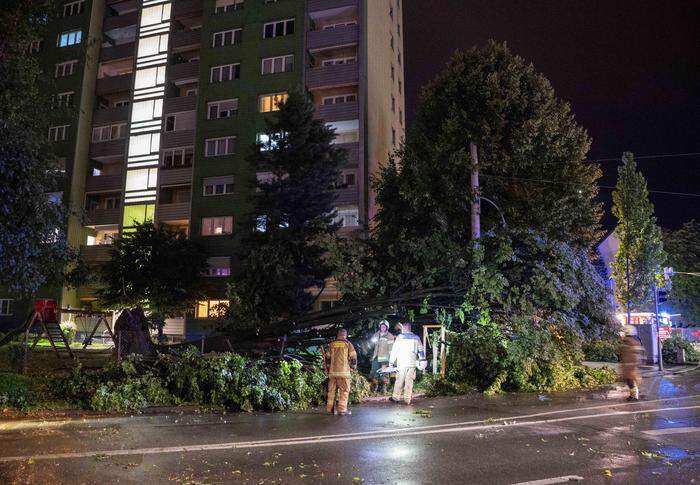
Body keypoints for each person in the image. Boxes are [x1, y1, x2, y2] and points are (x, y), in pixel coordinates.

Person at [388, 322, 425, 405]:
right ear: (410, 329)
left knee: (399, 381)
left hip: (402, 363)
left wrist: (391, 362)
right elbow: (421, 350)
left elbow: (395, 350)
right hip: (412, 364)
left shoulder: (400, 337)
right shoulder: (416, 338)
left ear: (404, 329)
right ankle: (407, 400)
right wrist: (422, 360)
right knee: (409, 382)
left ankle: (395, 398)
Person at [325, 328, 358, 415]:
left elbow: (327, 358)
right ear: (345, 335)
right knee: (344, 391)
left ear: (338, 335)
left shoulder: (331, 344)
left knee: (331, 391)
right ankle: (342, 410)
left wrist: (328, 369)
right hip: (344, 373)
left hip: (332, 372)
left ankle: (329, 409)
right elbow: (353, 358)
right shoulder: (348, 344)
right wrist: (352, 368)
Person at [369, 320, 395, 393]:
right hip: (376, 357)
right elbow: (373, 344)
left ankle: (384, 389)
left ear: (387, 327)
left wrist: (391, 359)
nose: (382, 328)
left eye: (384, 326)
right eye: (381, 326)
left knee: (384, 373)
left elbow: (391, 348)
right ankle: (375, 388)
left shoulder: (390, 336)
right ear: (380, 327)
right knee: (374, 372)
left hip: (385, 358)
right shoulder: (376, 334)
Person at [620, 325, 644, 401]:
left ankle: (635, 396)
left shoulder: (632, 341)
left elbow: (637, 353)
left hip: (631, 365)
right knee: (629, 380)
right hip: (628, 364)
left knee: (631, 380)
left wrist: (634, 364)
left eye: (624, 332)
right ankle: (632, 395)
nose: (623, 333)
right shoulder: (627, 340)